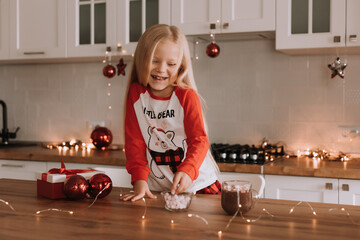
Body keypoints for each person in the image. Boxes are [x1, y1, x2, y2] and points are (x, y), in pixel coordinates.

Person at [121, 24, 220, 202]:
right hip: (158, 191)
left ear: (181, 66)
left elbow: (199, 140)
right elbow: (134, 144)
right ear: (141, 59)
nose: (161, 69)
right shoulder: (136, 95)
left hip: (198, 186)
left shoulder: (186, 96)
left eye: (171, 63)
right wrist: (139, 180)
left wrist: (188, 170)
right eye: (154, 60)